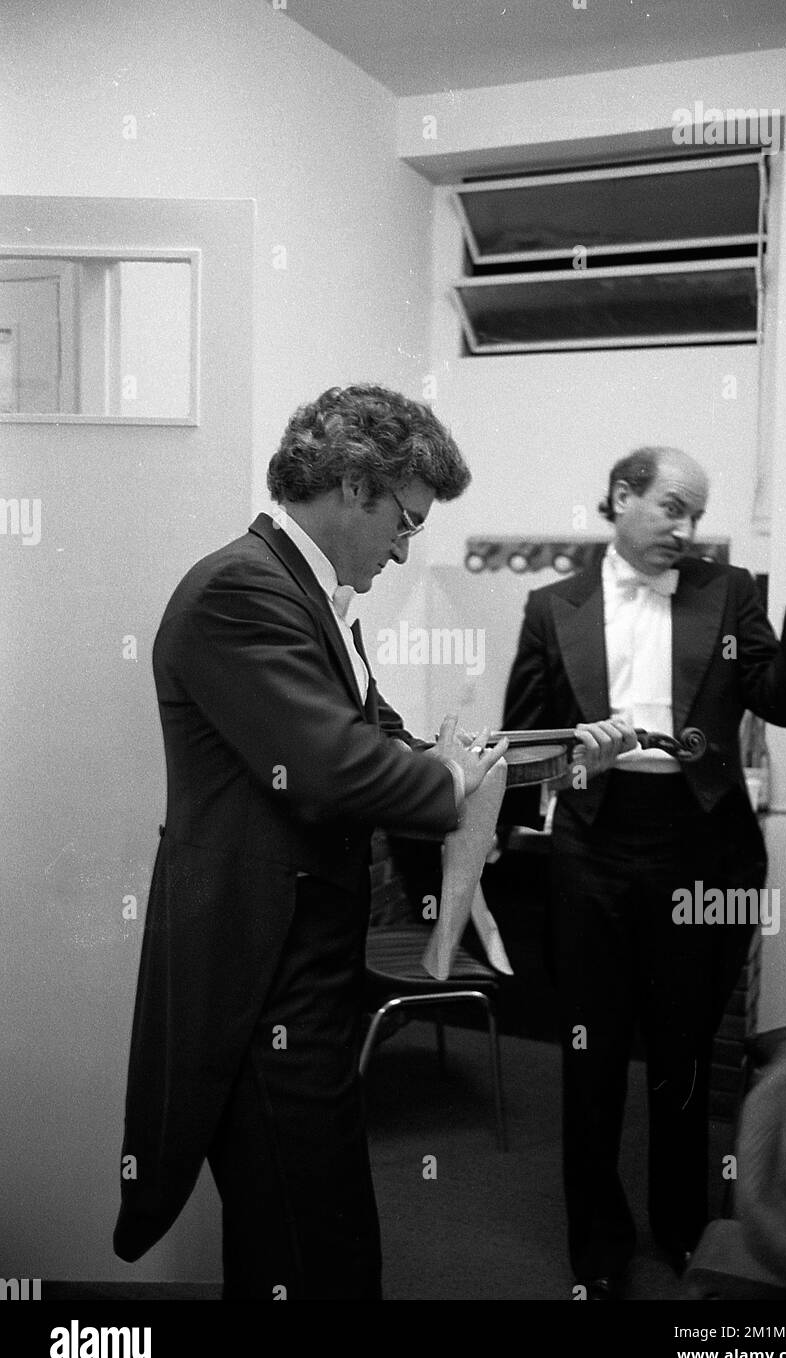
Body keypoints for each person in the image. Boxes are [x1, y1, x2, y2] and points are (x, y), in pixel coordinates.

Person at [112, 384, 510, 1300]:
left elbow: (393, 743)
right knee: (312, 1250)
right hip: (261, 985)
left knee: (301, 1241)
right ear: (350, 486)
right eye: (405, 521)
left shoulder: (313, 597)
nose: (407, 546)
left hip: (309, 970)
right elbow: (340, 772)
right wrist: (455, 780)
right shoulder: (239, 591)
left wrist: (523, 763)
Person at [500, 445, 786, 1299]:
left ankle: (686, 1224)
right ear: (622, 497)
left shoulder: (727, 595)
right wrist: (533, 799)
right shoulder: (553, 608)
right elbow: (525, 743)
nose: (686, 529)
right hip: (592, 845)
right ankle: (598, 1243)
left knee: (685, 1051)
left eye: (696, 514)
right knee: (591, 1053)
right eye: (671, 508)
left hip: (702, 847)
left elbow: (780, 700)